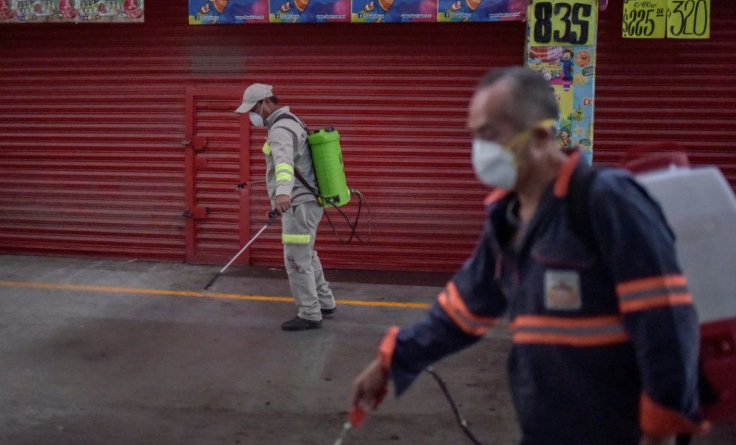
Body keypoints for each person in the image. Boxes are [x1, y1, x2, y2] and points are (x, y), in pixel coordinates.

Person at [351, 67, 710, 444]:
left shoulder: (606, 200)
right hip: (545, 429)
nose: (479, 150)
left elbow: (665, 319)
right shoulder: (505, 219)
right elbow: (461, 311)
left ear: (540, 136)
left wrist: (661, 429)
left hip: (619, 431)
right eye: (474, 136)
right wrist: (390, 361)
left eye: (489, 134)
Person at [235, 83, 336, 331]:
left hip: (298, 204)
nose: (252, 115)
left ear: (266, 102)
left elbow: (283, 164)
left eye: (253, 109)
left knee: (295, 257)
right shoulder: (293, 120)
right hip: (309, 202)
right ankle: (325, 302)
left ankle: (310, 314)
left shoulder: (279, 129)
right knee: (307, 253)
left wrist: (281, 195)